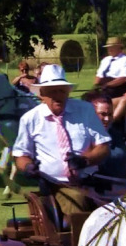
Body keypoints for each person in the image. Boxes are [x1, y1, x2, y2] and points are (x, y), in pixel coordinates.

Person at [13, 64, 111, 218]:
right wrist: (28, 167)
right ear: (42, 94)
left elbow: (104, 147)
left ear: (67, 92)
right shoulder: (30, 119)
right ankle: (80, 241)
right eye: (52, 91)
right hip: (56, 185)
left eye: (61, 90)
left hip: (92, 181)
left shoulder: (85, 110)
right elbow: (20, 155)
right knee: (77, 203)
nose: (58, 95)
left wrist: (85, 161)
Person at [87, 93, 126, 192]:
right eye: (103, 114)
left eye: (110, 114)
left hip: (119, 188)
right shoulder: (82, 136)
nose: (107, 119)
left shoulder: (115, 133)